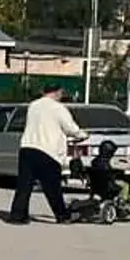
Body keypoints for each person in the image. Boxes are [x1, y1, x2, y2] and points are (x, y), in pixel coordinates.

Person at [8, 87, 84, 224]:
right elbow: (70, 127)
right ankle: (63, 215)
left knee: (24, 185)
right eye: (61, 92)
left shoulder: (33, 105)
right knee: (53, 187)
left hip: (27, 148)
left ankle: (18, 215)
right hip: (47, 151)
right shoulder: (58, 108)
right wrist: (82, 135)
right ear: (56, 92)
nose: (62, 95)